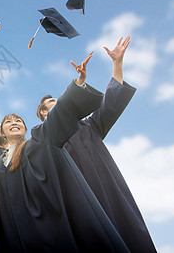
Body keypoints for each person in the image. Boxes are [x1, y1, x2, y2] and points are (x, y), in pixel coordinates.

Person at [0, 52, 130, 252]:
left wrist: (80, 82)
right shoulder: (8, 159)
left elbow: (109, 105)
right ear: (42, 113)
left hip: (94, 194)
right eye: (8, 121)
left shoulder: (77, 129)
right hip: (48, 215)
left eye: (18, 120)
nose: (14, 123)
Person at [36, 36, 157, 252]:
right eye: (53, 103)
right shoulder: (43, 140)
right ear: (44, 114)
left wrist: (117, 64)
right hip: (78, 201)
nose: (60, 102)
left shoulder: (88, 126)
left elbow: (112, 101)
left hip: (110, 191)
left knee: (129, 233)